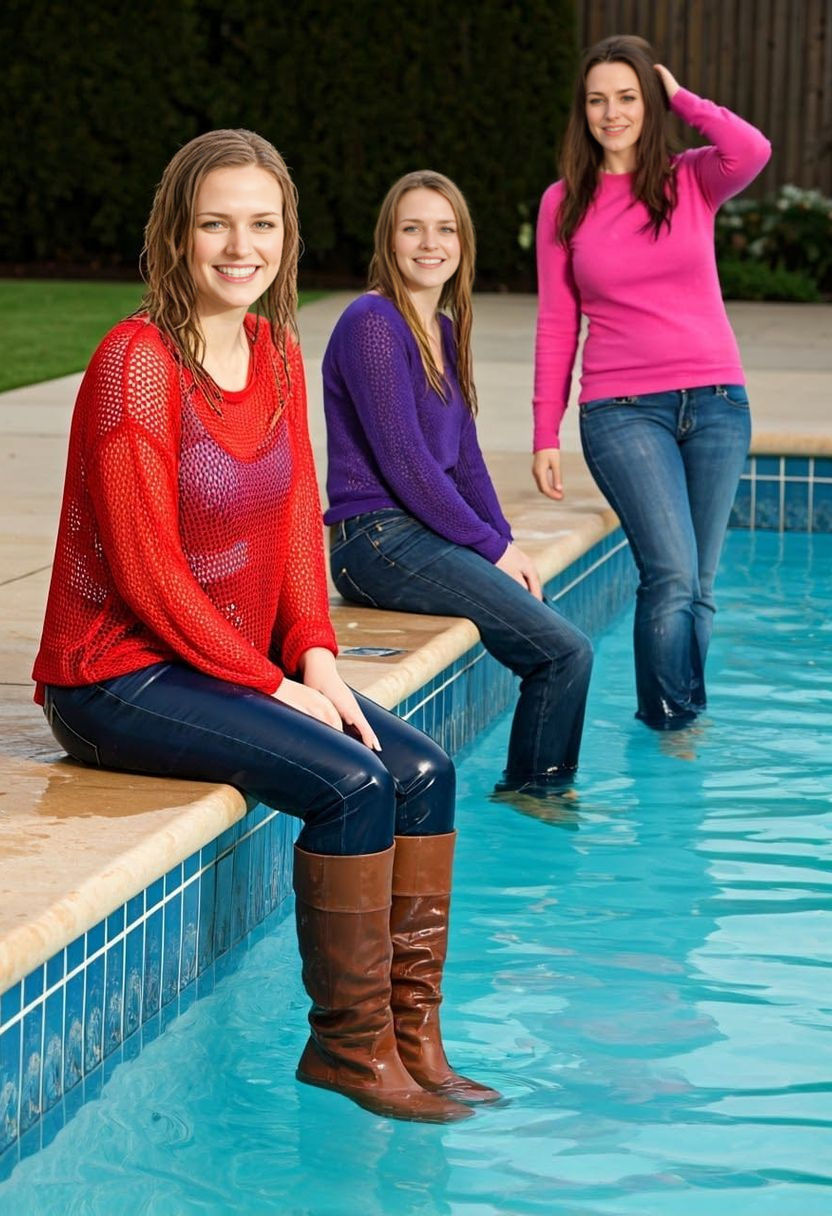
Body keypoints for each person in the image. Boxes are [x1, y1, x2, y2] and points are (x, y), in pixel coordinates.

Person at [32, 130, 500, 1122]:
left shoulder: (278, 352)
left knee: (424, 771)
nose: (238, 246)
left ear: (286, 236)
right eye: (214, 224)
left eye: (260, 223)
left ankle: (413, 1038)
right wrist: (269, 683)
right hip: (119, 674)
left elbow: (295, 535)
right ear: (176, 233)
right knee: (348, 783)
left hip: (224, 665)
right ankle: (347, 1046)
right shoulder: (137, 364)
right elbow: (149, 575)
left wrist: (320, 662)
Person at [322, 170, 593, 797]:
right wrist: (490, 548)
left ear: (463, 243)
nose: (429, 243)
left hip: (416, 535)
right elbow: (408, 467)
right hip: (377, 540)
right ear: (388, 240)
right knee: (563, 653)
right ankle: (536, 796)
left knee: (555, 636)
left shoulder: (440, 329)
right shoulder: (372, 321)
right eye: (412, 228)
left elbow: (464, 460)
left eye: (445, 229)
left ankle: (542, 789)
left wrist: (506, 544)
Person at [532, 36, 771, 731]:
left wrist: (683, 97)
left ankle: (681, 724)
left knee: (699, 586)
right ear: (582, 111)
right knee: (669, 573)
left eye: (628, 97)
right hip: (622, 410)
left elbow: (751, 149)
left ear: (651, 102)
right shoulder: (564, 203)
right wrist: (544, 432)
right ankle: (671, 727)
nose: (612, 113)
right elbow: (555, 325)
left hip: (720, 402)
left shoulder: (692, 178)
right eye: (598, 100)